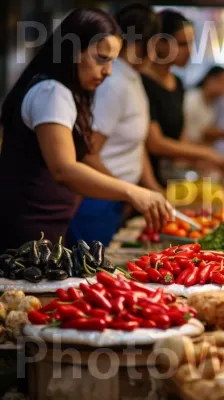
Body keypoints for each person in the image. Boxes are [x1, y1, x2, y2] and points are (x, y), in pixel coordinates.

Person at [0, 8, 171, 251]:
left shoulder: (66, 92)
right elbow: (64, 169)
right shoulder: (51, 92)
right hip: (28, 230)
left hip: (45, 226)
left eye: (112, 61)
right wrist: (132, 192)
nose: (108, 71)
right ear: (72, 51)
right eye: (101, 58)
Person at [67, 4, 163, 245]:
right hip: (97, 201)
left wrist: (150, 187)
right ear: (146, 44)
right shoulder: (114, 83)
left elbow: (136, 142)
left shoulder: (131, 77)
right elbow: (88, 152)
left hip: (116, 199)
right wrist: (126, 192)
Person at [141, 10, 224, 185]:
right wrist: (206, 154)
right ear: (160, 44)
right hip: (143, 181)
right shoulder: (142, 82)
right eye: (182, 44)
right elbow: (155, 143)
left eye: (191, 44)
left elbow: (181, 141)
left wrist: (203, 161)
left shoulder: (178, 83)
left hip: (166, 178)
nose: (190, 51)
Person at [183, 66, 224, 146]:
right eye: (222, 82)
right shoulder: (192, 99)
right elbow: (190, 137)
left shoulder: (213, 105)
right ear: (209, 79)